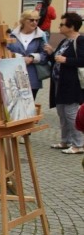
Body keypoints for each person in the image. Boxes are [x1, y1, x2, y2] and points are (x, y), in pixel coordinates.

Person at [43, 12, 84, 154]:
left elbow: (82, 60)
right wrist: (50, 53)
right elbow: (57, 58)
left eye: (62, 24)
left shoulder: (80, 40)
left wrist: (66, 60)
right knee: (62, 113)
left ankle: (78, 144)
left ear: (71, 26)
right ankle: (65, 141)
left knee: (71, 114)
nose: (59, 27)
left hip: (72, 84)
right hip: (59, 83)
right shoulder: (65, 41)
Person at [7, 10, 49, 100]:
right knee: (13, 103)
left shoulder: (41, 36)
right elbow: (6, 51)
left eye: (37, 20)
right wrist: (20, 58)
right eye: (31, 20)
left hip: (32, 75)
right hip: (13, 75)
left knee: (29, 105)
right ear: (23, 20)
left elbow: (45, 55)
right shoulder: (12, 35)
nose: (34, 22)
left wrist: (32, 58)